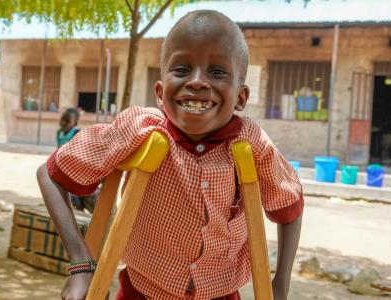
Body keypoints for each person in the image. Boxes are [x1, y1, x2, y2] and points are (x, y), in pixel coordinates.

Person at [37, 10, 303, 300]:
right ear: (160, 92)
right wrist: (81, 264)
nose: (198, 81)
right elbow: (50, 174)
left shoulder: (252, 143)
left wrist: (280, 284)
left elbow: (289, 202)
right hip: (143, 291)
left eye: (217, 71)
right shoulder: (140, 128)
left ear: (241, 97)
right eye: (182, 69)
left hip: (220, 293)